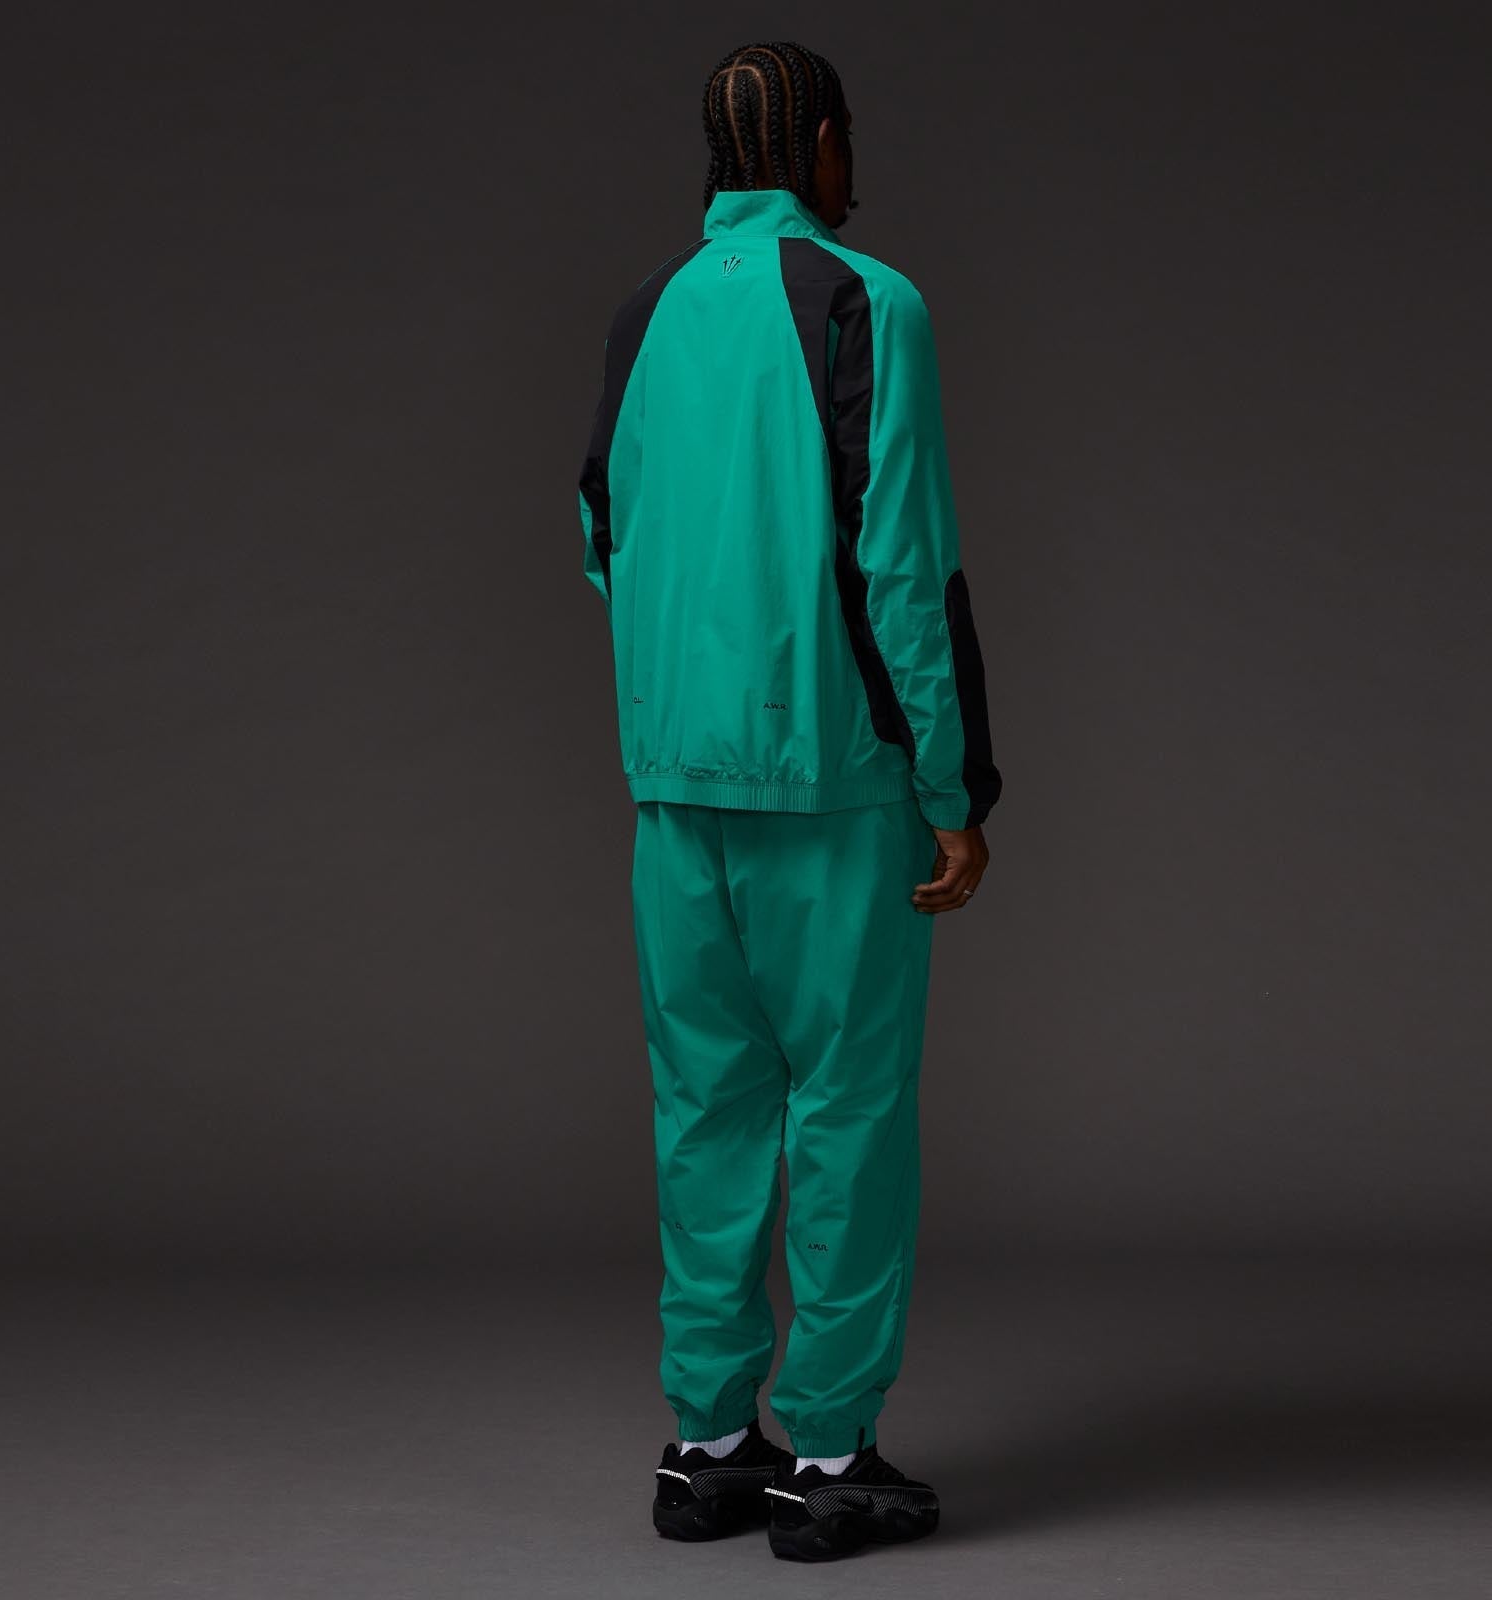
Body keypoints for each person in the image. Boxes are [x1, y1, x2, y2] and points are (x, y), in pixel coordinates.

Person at [577, 39, 1003, 1563]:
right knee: (846, 1116)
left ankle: (706, 1449)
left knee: (703, 1111)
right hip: (835, 787)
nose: (850, 161)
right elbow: (906, 567)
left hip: (673, 792)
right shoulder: (868, 304)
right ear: (819, 141)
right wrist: (954, 790)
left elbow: (601, 534)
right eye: (846, 137)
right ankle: (829, 1457)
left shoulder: (645, 314)